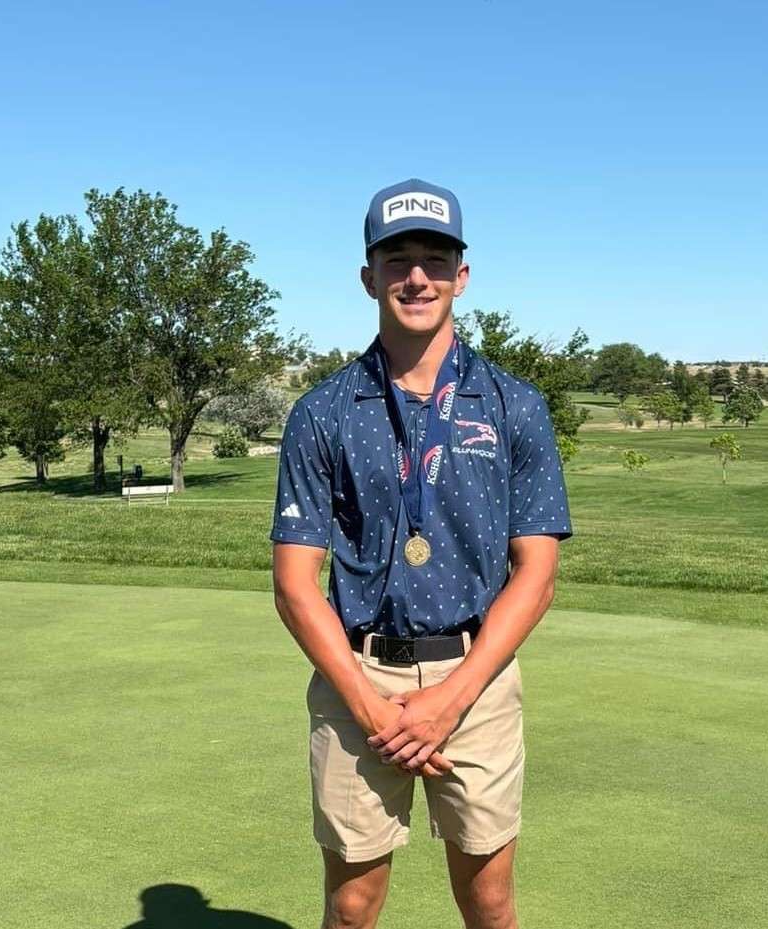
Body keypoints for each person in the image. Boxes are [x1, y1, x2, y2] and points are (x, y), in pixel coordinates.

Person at [269, 178, 573, 929]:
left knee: (490, 901)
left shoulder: (513, 404)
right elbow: (295, 583)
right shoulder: (324, 412)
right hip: (358, 677)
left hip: (476, 677)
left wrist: (450, 698)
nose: (416, 277)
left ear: (461, 276)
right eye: (397, 259)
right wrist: (372, 704)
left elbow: (534, 575)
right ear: (368, 275)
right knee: (351, 905)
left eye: (435, 260)